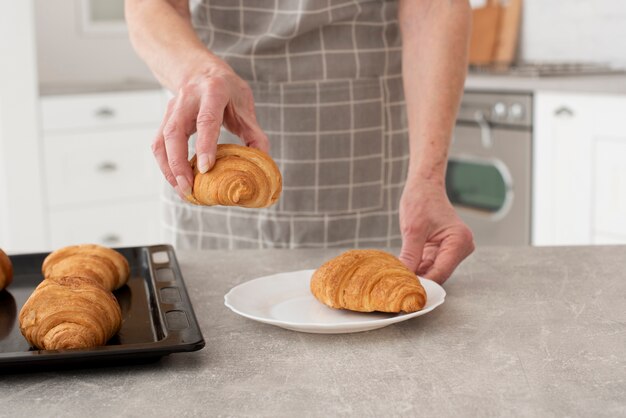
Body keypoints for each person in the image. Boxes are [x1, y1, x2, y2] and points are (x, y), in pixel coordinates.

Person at [125, 0, 475, 284]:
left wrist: (427, 178)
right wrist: (199, 73)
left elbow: (433, 6)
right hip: (213, 120)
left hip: (361, 134)